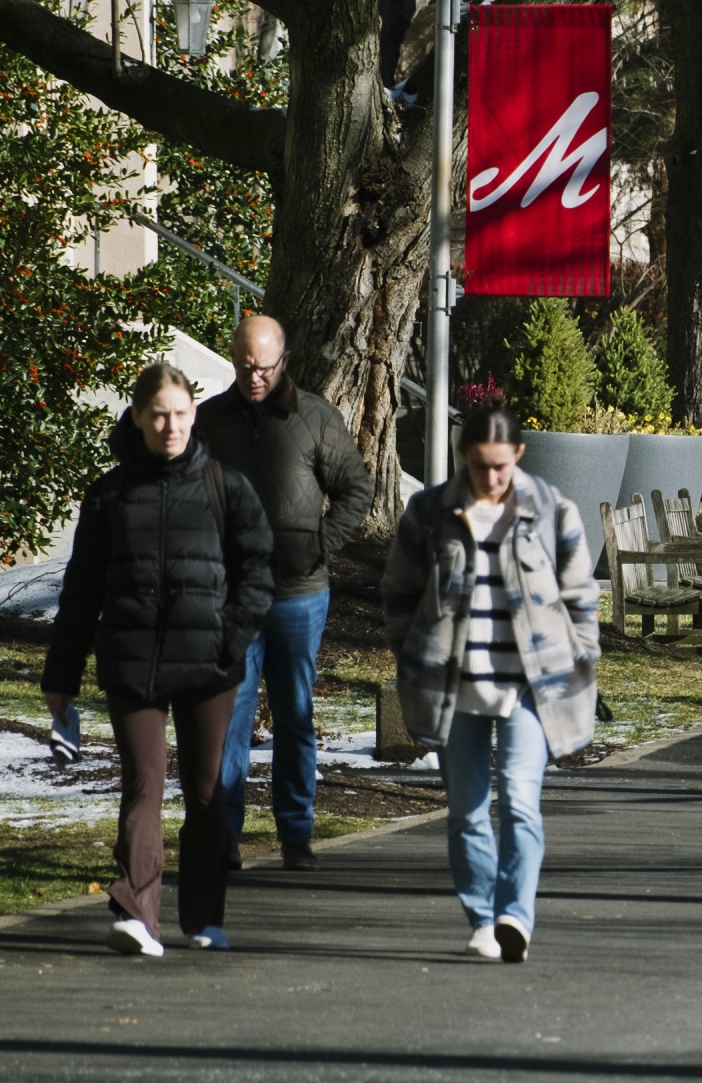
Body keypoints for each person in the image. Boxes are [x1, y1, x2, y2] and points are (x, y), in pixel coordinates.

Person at [42, 363, 274, 956]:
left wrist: (232, 637)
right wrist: (60, 677)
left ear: (194, 415)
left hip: (208, 663)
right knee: (143, 783)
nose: (169, 426)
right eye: (158, 415)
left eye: (179, 414)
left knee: (205, 791)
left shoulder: (227, 487)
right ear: (139, 417)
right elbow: (81, 590)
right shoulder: (109, 494)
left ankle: (203, 918)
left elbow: (256, 573)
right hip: (133, 660)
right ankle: (135, 914)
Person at [382, 406, 601, 963]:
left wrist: (582, 659)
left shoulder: (553, 509)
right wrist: (414, 654)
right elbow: (398, 594)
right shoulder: (429, 511)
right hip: (457, 687)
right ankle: (482, 915)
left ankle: (515, 916)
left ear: (518, 456)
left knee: (521, 801)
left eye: (501, 466)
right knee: (466, 811)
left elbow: (580, 596)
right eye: (480, 465)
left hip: (531, 686)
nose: (491, 478)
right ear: (464, 458)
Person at [197, 315, 373, 872]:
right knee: (231, 714)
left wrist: (320, 544)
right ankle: (223, 836)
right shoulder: (210, 422)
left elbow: (356, 489)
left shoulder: (316, 418)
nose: (255, 376)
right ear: (234, 359)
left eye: (266, 367)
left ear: (285, 361)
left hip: (299, 593)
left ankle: (296, 833)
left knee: (294, 712)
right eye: (247, 366)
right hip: (232, 593)